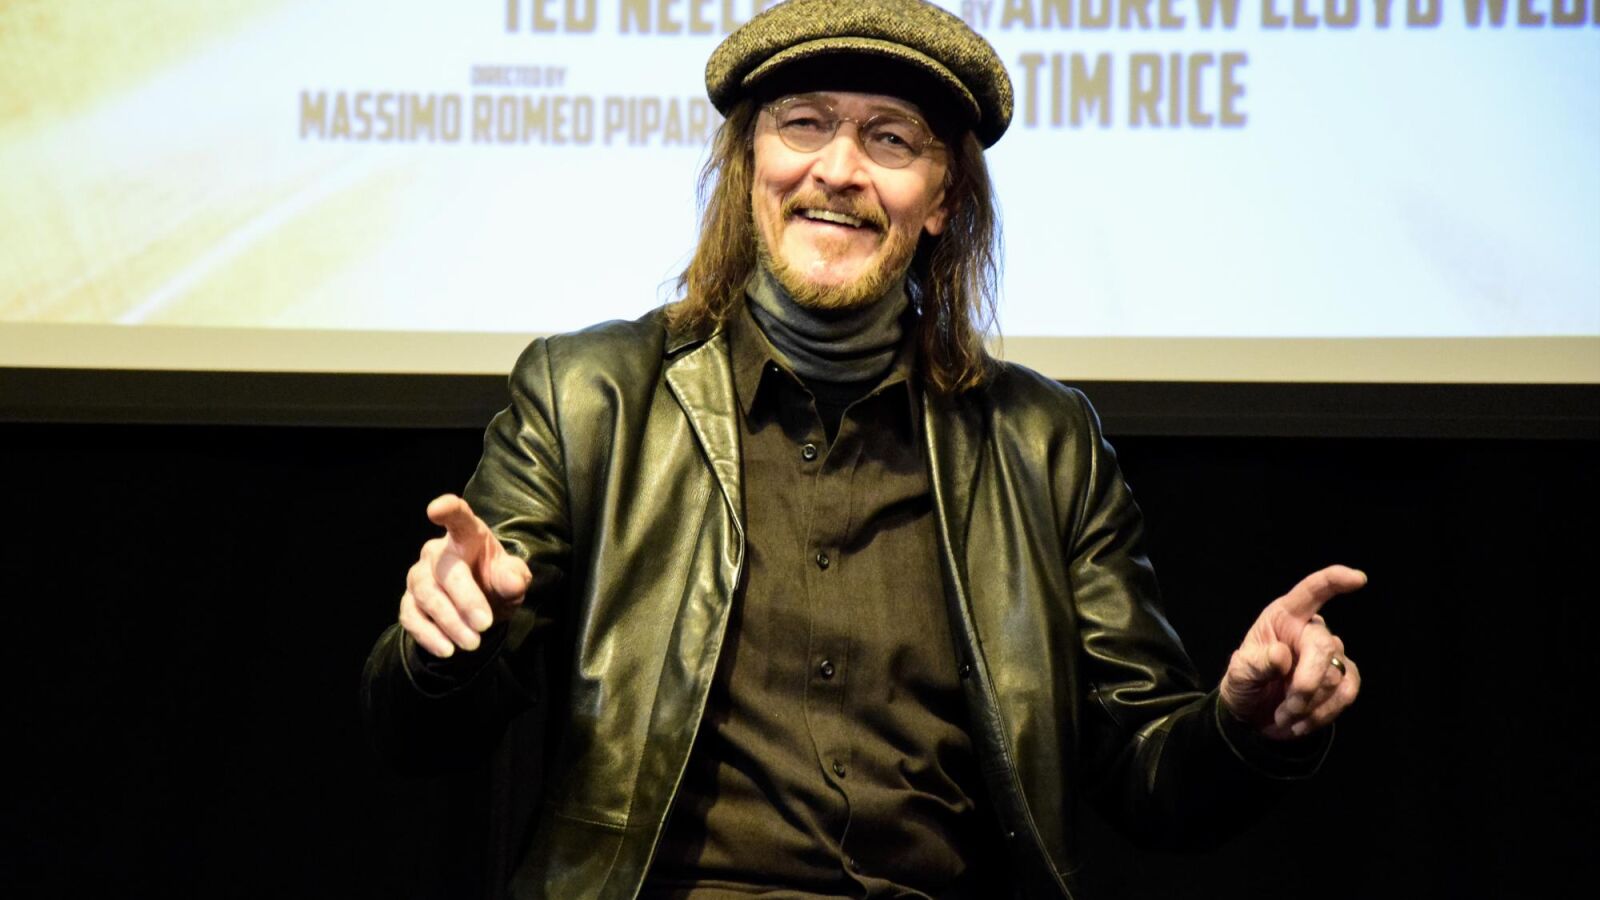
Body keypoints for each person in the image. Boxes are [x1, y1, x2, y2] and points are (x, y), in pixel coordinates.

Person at [362, 1, 1364, 897]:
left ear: (943, 200)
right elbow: (416, 737)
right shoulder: (591, 395)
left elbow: (1149, 774)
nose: (838, 169)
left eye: (890, 139)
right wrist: (449, 644)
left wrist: (1245, 725)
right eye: (803, 123)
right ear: (748, 166)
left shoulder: (1044, 442)